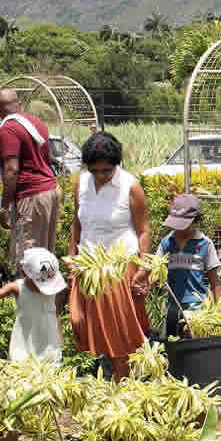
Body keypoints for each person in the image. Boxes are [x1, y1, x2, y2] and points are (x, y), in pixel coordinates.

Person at [68, 132, 151, 380]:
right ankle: (112, 382)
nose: (101, 176)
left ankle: (124, 389)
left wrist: (144, 268)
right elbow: (77, 225)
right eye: (95, 171)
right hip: (89, 268)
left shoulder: (130, 185)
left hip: (119, 268)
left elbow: (144, 230)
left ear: (116, 164)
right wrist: (71, 261)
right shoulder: (81, 184)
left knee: (120, 337)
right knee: (83, 325)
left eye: (107, 170)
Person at [0, 89, 62, 272]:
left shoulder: (9, 128)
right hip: (50, 190)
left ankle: (31, 300)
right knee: (46, 254)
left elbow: (11, 170)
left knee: (28, 258)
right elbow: (47, 159)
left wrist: (4, 207)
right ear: (19, 104)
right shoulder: (36, 122)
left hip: (31, 195)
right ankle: (49, 297)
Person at [0, 247, 65, 362]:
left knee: (50, 370)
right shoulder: (18, 288)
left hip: (49, 340)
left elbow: (56, 312)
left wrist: (59, 337)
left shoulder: (54, 289)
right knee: (22, 368)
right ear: (28, 274)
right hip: (25, 341)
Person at [156, 193, 221, 339]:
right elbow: (154, 272)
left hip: (196, 307)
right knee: (172, 344)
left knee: (193, 342)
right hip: (172, 305)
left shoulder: (205, 244)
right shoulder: (166, 243)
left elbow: (214, 280)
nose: (180, 229)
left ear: (196, 221)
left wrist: (218, 311)